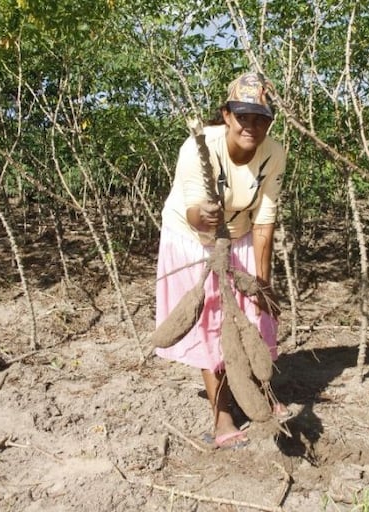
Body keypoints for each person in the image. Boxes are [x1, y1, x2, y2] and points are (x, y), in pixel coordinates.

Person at [155, 72, 288, 449]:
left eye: (261, 118)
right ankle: (222, 419)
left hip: (241, 234)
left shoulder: (274, 154)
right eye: (243, 116)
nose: (252, 125)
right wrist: (205, 216)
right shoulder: (198, 148)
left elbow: (265, 219)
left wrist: (262, 281)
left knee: (256, 319)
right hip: (192, 240)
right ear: (227, 115)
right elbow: (196, 216)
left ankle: (260, 395)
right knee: (213, 327)